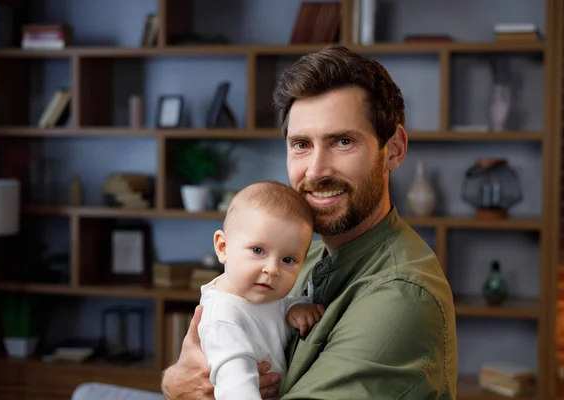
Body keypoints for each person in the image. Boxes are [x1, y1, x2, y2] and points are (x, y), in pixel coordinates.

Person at [161, 44, 458, 399]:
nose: (316, 171)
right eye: (301, 144)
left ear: (393, 149)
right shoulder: (301, 259)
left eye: (343, 141)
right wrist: (175, 380)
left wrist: (181, 390)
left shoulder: (401, 294)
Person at [197, 180, 325, 400]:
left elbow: (276, 307)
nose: (272, 269)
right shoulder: (222, 319)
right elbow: (235, 387)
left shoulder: (264, 296)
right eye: (258, 250)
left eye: (288, 259)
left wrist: (294, 308)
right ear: (223, 247)